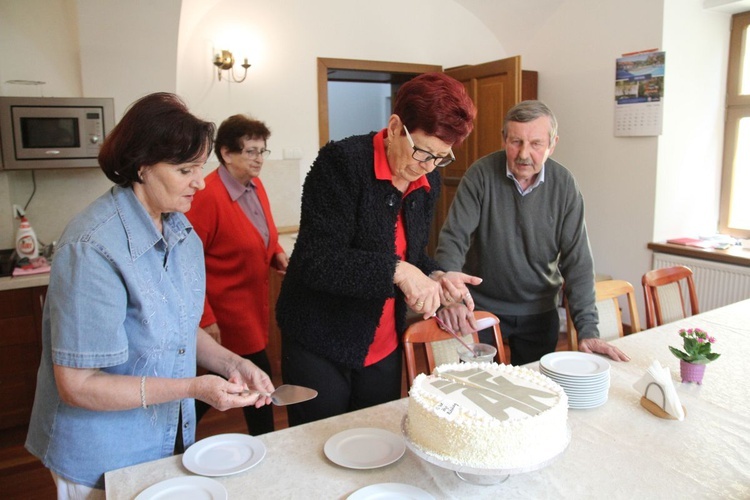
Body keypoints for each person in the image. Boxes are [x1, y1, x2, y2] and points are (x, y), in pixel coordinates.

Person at [24, 93, 274, 496]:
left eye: (201, 167)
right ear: (141, 168)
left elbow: (178, 329)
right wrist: (194, 388)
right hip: (102, 450)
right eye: (184, 170)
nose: (199, 181)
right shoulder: (92, 247)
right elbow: (78, 384)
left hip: (167, 436)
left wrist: (232, 363)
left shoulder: (181, 231)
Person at [275, 73, 482, 426]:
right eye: (422, 151)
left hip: (383, 342)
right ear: (395, 125)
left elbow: (411, 254)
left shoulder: (426, 178)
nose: (428, 166)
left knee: (378, 440)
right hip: (320, 339)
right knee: (318, 446)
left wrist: (435, 276)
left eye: (441, 157)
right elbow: (315, 260)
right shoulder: (341, 164)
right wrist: (398, 271)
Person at [435, 100, 629, 365]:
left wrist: (588, 330)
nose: (524, 154)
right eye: (516, 142)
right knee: (476, 393)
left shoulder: (565, 185)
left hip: (539, 312)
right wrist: (451, 299)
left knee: (533, 394)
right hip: (479, 309)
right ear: (504, 139)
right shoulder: (479, 176)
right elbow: (453, 240)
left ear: (552, 144)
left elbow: (578, 261)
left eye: (536, 144)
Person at [186, 115, 287, 436]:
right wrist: (204, 317)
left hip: (252, 307)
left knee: (234, 381)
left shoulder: (255, 186)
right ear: (227, 153)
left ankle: (176, 434)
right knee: (253, 380)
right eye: (252, 152)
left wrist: (278, 255)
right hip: (224, 313)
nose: (259, 159)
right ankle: (268, 444)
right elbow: (187, 264)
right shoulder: (207, 196)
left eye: (262, 151)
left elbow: (265, 232)